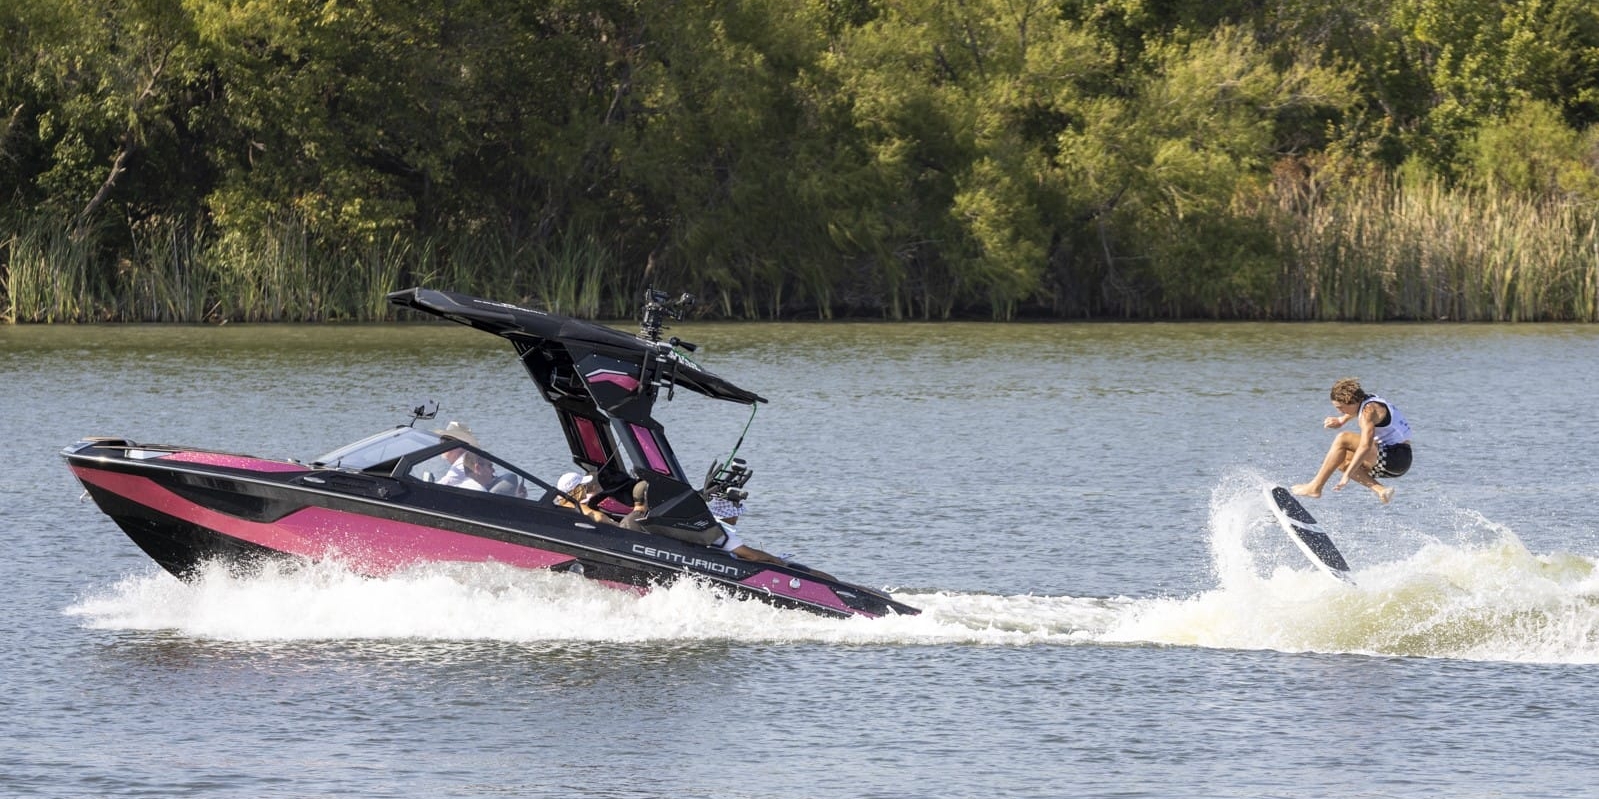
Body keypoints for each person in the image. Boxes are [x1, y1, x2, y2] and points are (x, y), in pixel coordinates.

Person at [1292, 378, 1413, 504]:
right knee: (1340, 459)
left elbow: (1365, 446)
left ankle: (1315, 487)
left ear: (1351, 402)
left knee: (1343, 438)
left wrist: (1347, 475)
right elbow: (1355, 410)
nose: (1339, 411)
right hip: (1396, 463)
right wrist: (1341, 420)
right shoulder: (1368, 400)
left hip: (1396, 457)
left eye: (1341, 408)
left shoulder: (1368, 412)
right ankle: (1381, 490)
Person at [433, 421, 479, 487]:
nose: (441, 444)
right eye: (441, 440)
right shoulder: (465, 459)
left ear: (458, 446)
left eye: (445, 441)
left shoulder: (464, 462)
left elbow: (445, 483)